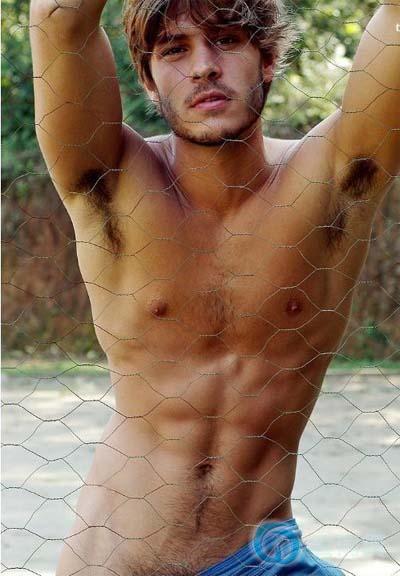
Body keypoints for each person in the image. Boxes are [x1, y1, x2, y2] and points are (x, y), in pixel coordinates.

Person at [29, 0, 399, 574]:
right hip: (122, 565)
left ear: (267, 59)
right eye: (174, 49)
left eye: (226, 39)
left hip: (261, 558)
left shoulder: (331, 181)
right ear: (149, 81)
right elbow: (59, 19)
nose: (203, 66)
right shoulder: (111, 181)